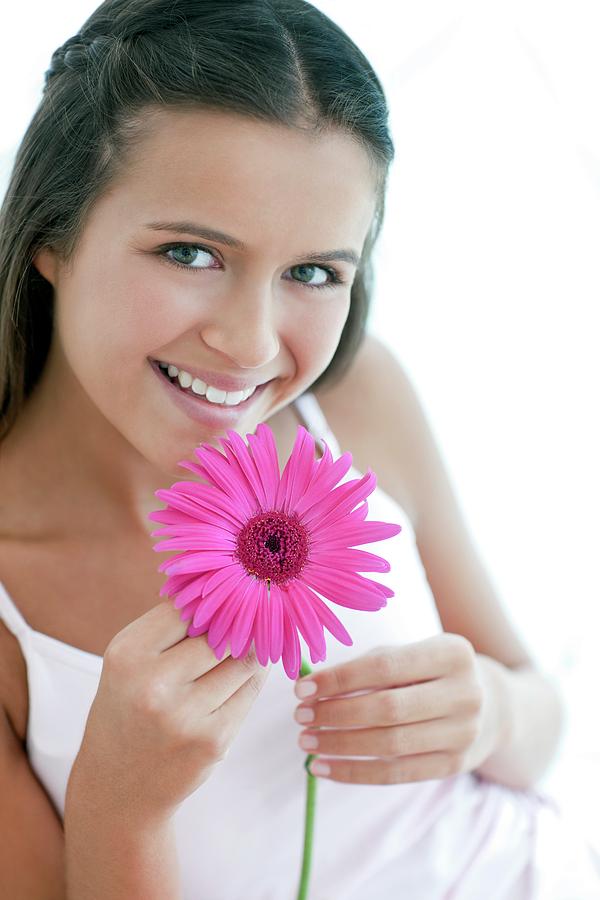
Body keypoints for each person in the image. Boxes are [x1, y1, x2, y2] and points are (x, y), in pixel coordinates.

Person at [0, 1, 598, 897]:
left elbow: (538, 710)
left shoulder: (355, 402)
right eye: (192, 254)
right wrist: (119, 803)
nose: (250, 344)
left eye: (313, 273)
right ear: (53, 232)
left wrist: (492, 716)